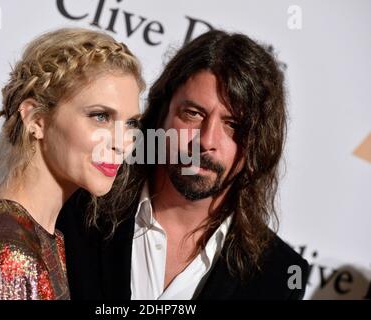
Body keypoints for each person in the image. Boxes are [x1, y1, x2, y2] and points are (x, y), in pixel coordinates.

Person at [57, 29, 309, 300]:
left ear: (259, 144)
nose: (206, 141)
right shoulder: (74, 209)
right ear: (161, 112)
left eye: (233, 125)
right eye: (193, 114)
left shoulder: (279, 276)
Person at [0, 28, 144, 300]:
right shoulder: (5, 258)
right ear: (36, 119)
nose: (122, 142)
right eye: (100, 116)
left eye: (131, 123)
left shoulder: (27, 234)